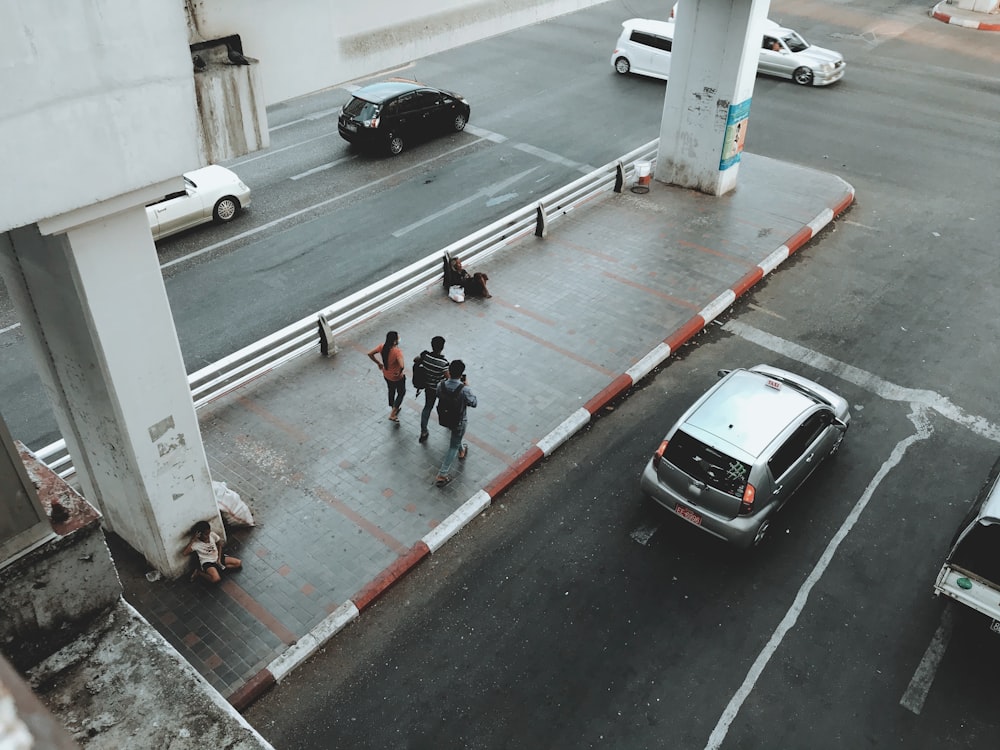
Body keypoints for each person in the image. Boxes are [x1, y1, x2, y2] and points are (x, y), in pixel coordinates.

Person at [434, 359, 477, 487]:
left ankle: (462, 450)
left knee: (456, 438)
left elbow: (438, 395)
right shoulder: (464, 390)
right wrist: (467, 386)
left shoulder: (440, 385)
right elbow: (474, 403)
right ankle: (442, 473)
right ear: (461, 373)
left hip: (445, 418)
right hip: (459, 420)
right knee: (453, 445)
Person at [413, 336, 449, 444]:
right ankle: (448, 423)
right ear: (442, 347)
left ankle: (424, 431)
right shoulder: (443, 363)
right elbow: (448, 377)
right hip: (441, 390)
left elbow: (415, 360)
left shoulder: (425, 355)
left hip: (429, 388)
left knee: (427, 408)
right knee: (445, 407)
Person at [368, 330, 406, 422]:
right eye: (398, 338)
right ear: (394, 341)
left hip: (386, 375)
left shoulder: (382, 347)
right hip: (397, 377)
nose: (399, 339)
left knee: (391, 390)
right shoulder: (397, 352)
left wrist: (378, 363)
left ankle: (393, 406)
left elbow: (370, 353)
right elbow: (402, 365)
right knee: (401, 393)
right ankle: (393, 414)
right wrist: (399, 372)